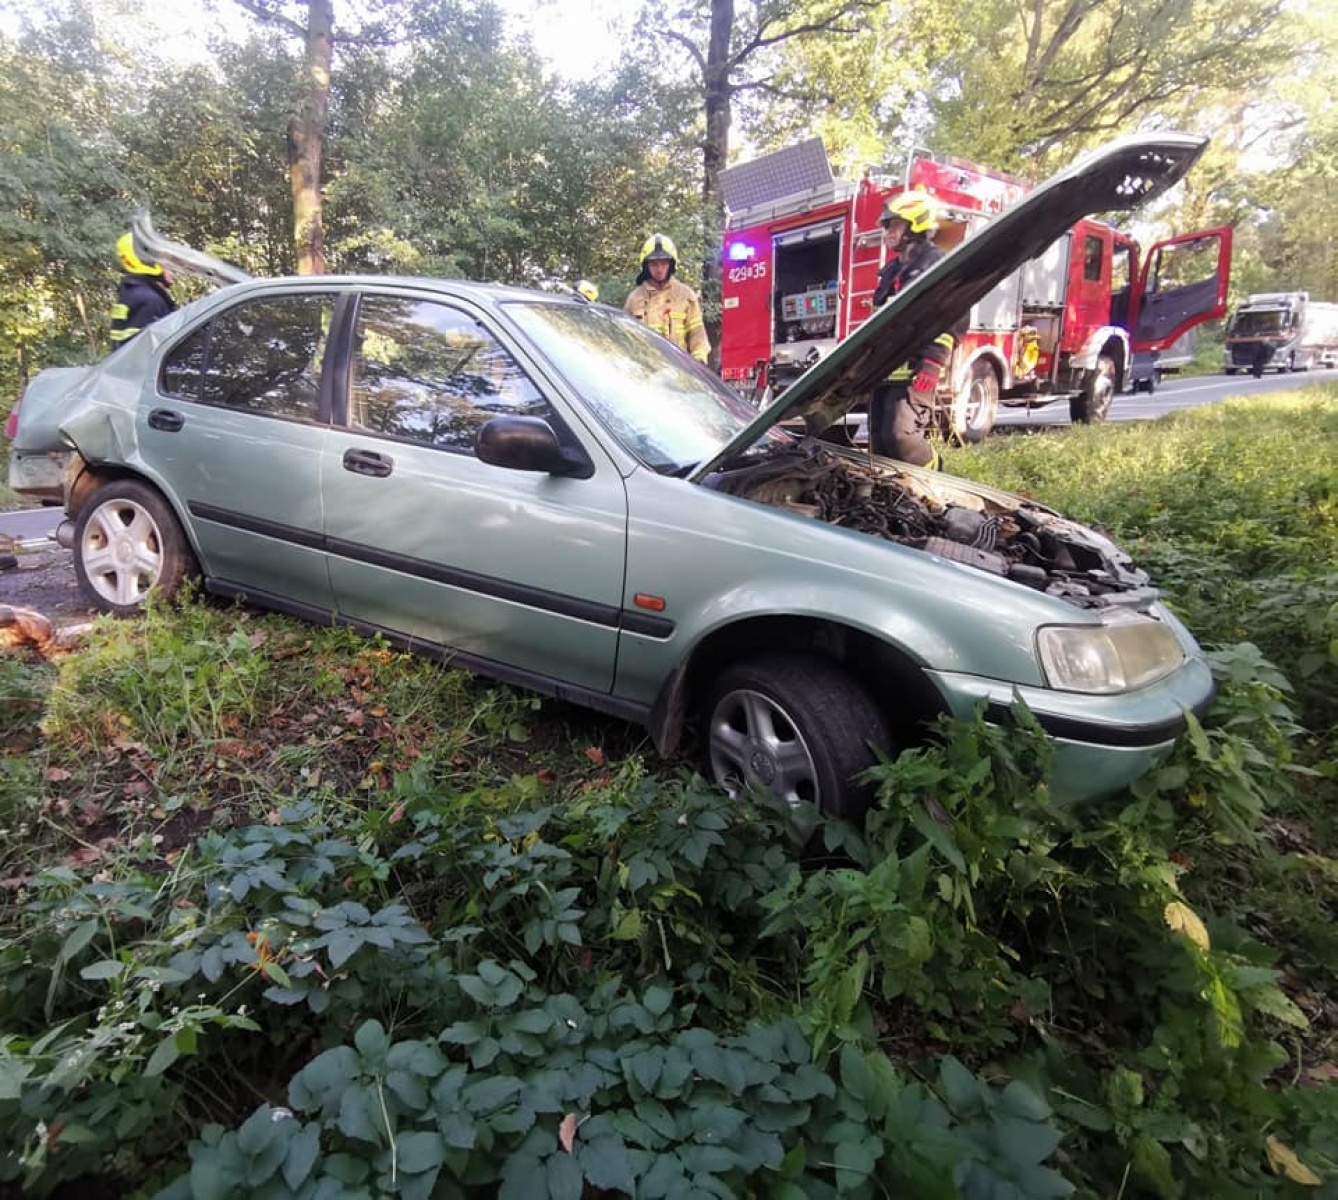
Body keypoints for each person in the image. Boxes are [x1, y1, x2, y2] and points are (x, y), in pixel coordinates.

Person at [867, 191, 964, 468]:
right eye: (886, 226)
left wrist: (932, 363)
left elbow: (952, 316)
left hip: (916, 367)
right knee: (880, 442)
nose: (887, 232)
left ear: (915, 225)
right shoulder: (889, 272)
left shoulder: (936, 265)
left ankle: (936, 476)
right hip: (884, 370)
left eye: (894, 225)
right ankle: (896, 495)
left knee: (902, 436)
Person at [624, 233, 710, 364]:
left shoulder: (686, 296)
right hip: (645, 373)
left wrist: (699, 362)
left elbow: (697, 336)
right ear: (646, 266)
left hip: (679, 371)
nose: (659, 269)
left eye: (664, 263)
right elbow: (625, 340)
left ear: (671, 264)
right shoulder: (634, 299)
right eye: (654, 264)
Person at [110, 232, 176, 349]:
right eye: (166, 261)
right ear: (147, 262)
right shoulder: (149, 301)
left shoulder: (130, 292)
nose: (173, 268)